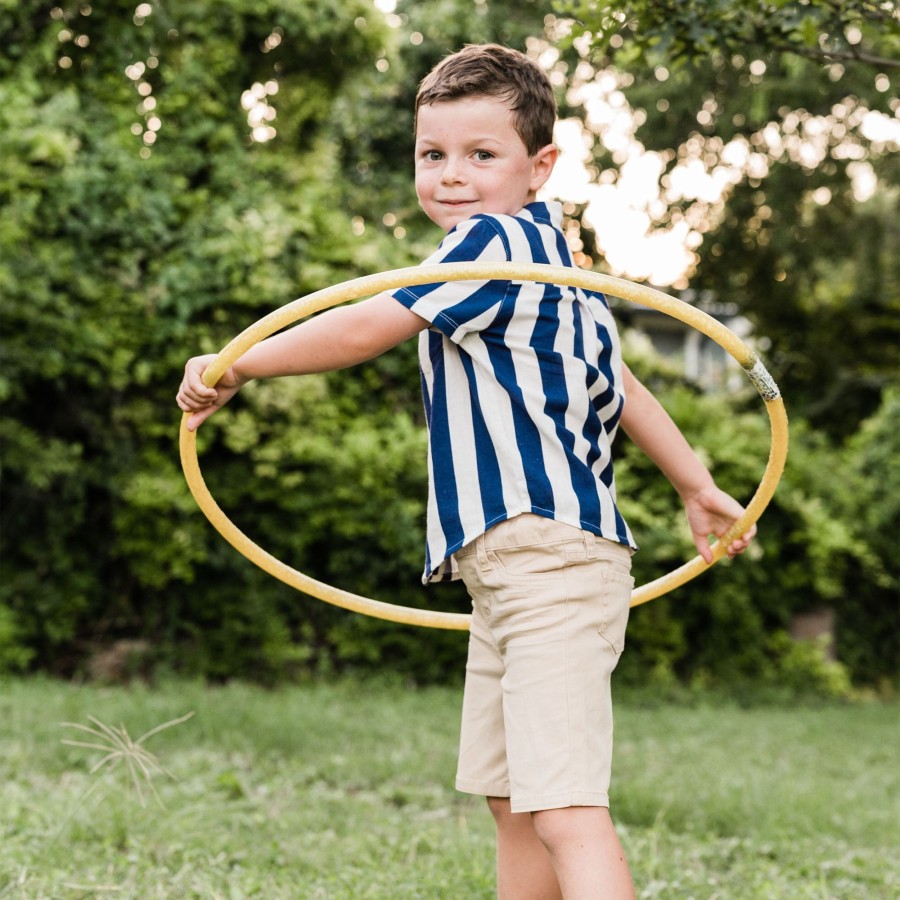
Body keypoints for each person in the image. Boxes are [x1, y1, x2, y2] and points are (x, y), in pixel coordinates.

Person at [177, 43, 755, 900]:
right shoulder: (556, 266)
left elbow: (369, 324)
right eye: (432, 154)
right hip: (509, 567)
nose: (451, 175)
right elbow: (623, 386)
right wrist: (694, 483)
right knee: (512, 796)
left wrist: (241, 363)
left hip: (548, 555)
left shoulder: (494, 248)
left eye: (482, 155)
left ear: (539, 165)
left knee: (561, 805)